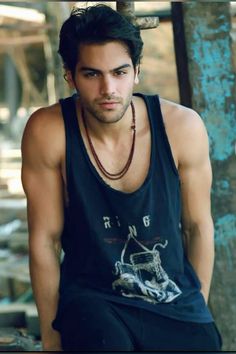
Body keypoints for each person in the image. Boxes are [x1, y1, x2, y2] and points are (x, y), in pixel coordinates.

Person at [21, 4, 222, 352]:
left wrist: (194, 309)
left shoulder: (182, 128)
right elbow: (45, 241)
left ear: (137, 71)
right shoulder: (48, 131)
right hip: (93, 300)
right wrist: (52, 341)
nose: (108, 88)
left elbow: (198, 227)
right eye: (91, 74)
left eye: (119, 72)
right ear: (70, 76)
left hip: (173, 298)